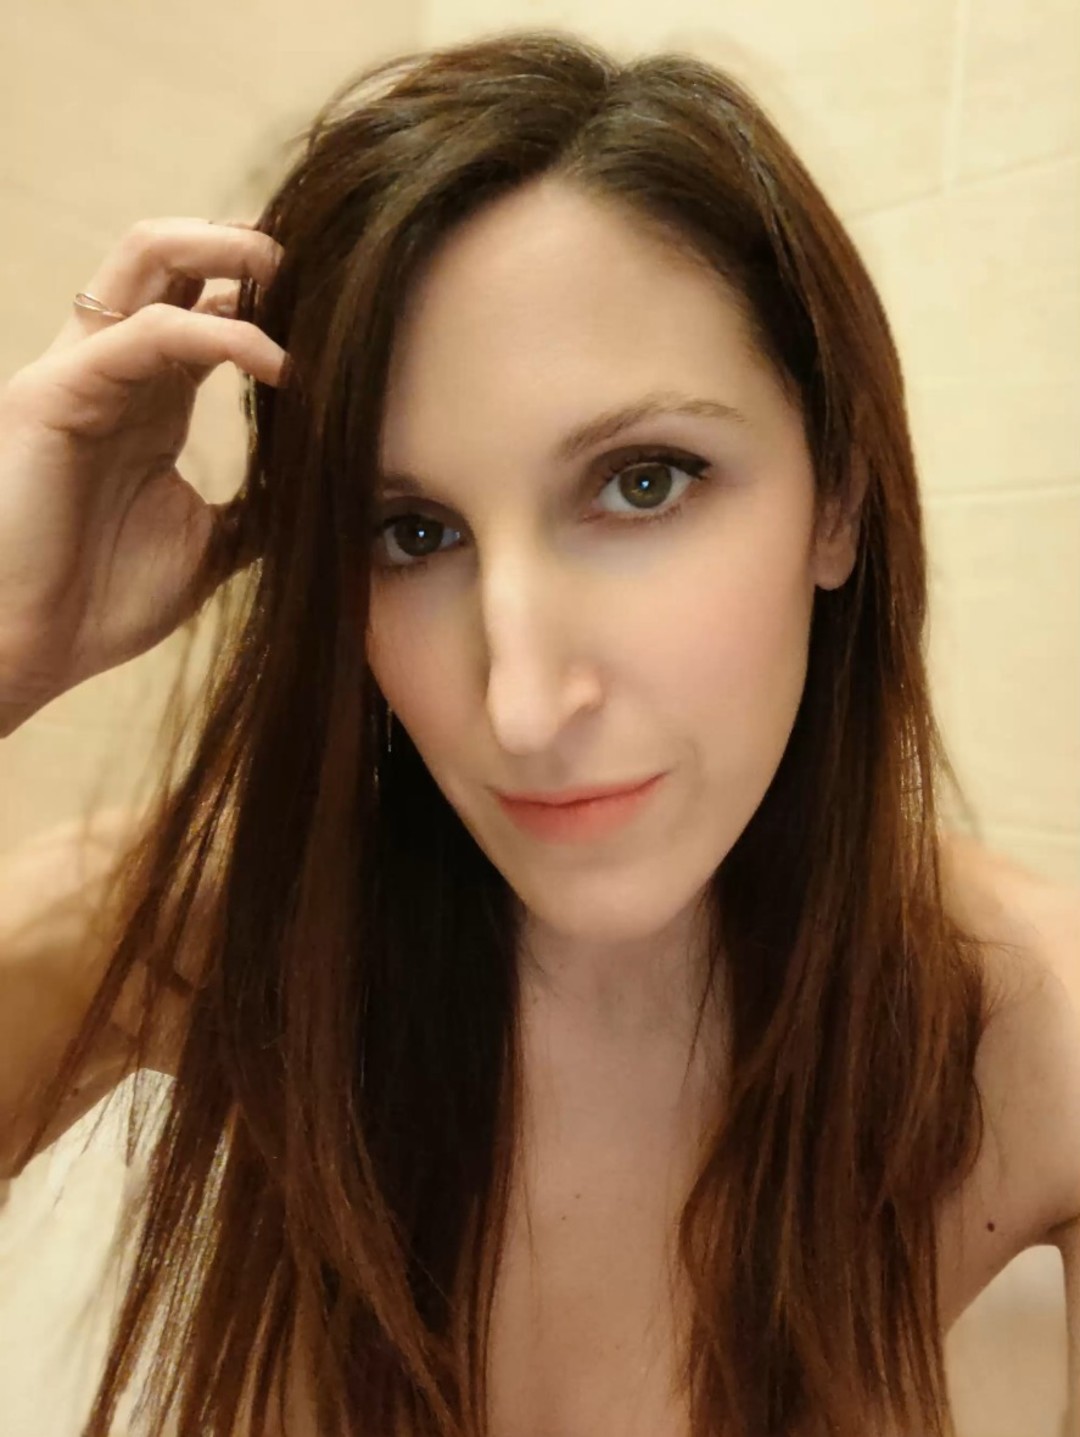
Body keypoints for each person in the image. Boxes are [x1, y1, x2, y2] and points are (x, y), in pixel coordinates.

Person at [1, 27, 1078, 1437]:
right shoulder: (207, 927)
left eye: (644, 482)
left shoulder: (1035, 1029)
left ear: (838, 499)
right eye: (412, 531)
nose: (518, 703)